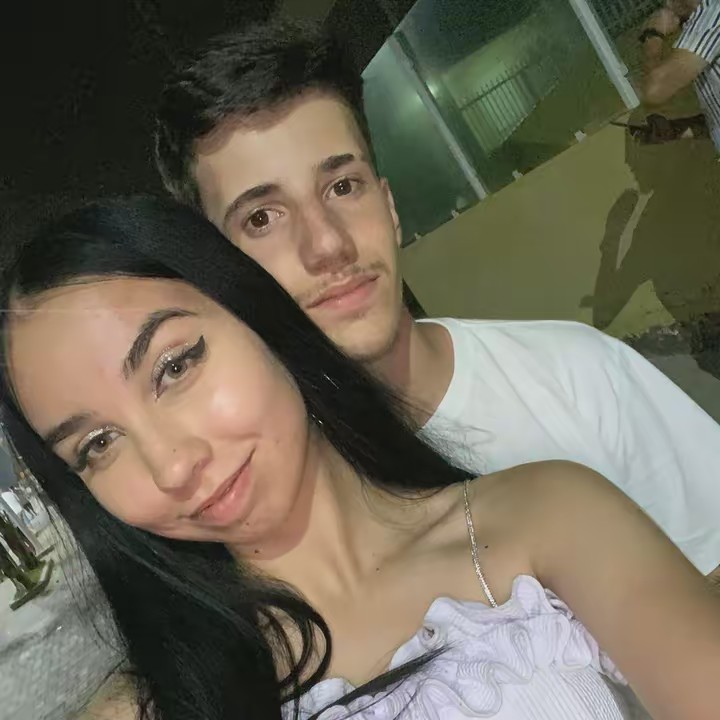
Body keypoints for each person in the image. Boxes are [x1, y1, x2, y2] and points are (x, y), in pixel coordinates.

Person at [2, 196, 720, 720]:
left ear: (257, 316)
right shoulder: (157, 705)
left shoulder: (547, 520)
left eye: (175, 366)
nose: (171, 466)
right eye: (97, 445)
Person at [153, 20, 720, 583]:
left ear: (389, 208)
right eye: (261, 218)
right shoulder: (267, 511)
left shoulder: (576, 375)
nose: (327, 244)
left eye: (343, 186)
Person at [640, 0, 720, 150]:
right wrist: (678, 129)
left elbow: (654, 91)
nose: (666, 4)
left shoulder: (712, 18)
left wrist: (653, 35)